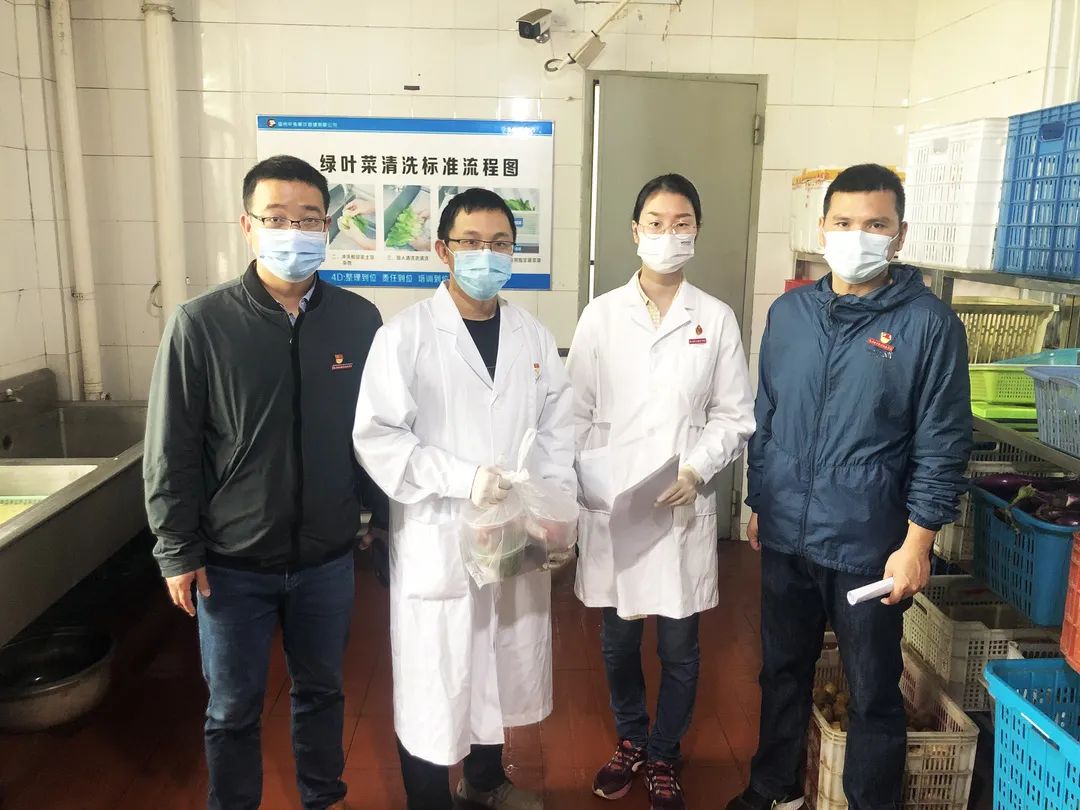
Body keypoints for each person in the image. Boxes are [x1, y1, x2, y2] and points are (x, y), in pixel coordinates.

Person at [144, 154, 388, 810]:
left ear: (328, 226)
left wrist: (378, 519)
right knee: (232, 710)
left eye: (309, 219)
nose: (294, 232)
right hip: (232, 565)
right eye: (277, 218)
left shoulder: (358, 321)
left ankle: (323, 798)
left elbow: (375, 433)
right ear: (247, 226)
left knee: (322, 693)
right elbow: (171, 449)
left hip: (326, 559)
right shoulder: (201, 324)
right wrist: (177, 549)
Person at [725, 164, 972, 810]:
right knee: (781, 671)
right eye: (844, 222)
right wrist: (759, 501)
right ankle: (774, 788)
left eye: (875, 224)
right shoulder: (790, 314)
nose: (857, 235)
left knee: (872, 690)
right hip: (786, 532)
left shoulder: (928, 326)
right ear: (822, 228)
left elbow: (943, 444)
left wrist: (917, 544)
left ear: (900, 234)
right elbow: (768, 415)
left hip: (869, 544)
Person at [352, 188, 575, 810]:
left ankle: (483, 781)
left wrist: (553, 509)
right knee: (435, 678)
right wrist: (461, 478)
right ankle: (428, 800)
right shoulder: (405, 336)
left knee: (496, 664)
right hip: (439, 533)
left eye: (500, 243)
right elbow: (377, 437)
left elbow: (557, 431)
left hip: (513, 531)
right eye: (471, 242)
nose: (486, 255)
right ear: (442, 249)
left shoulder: (533, 337)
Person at [567, 174, 756, 810]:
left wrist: (696, 470)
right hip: (616, 506)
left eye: (681, 223)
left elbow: (734, 415)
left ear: (696, 232)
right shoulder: (600, 315)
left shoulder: (715, 318)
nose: (667, 234)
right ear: (634, 231)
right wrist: (589, 482)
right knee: (618, 640)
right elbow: (575, 411)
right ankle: (631, 739)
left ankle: (665, 752)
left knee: (679, 646)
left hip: (681, 505)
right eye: (655, 222)